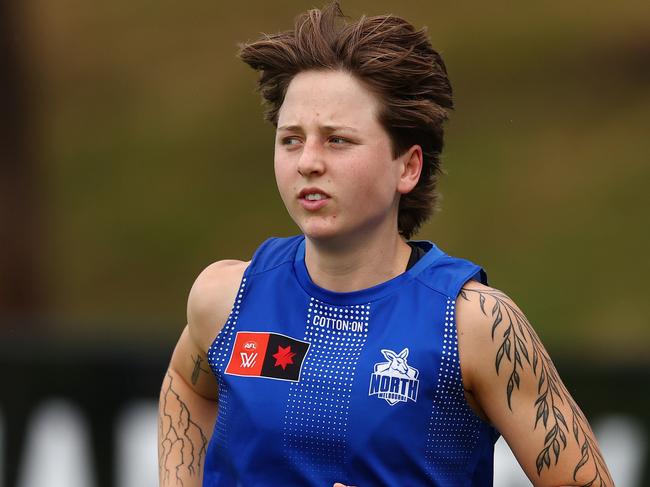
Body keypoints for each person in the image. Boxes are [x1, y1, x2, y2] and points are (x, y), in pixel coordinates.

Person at [157, 3, 614, 486]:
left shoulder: (475, 327)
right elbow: (187, 385)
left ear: (408, 167)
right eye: (291, 139)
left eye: (337, 140)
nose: (308, 161)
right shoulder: (227, 297)